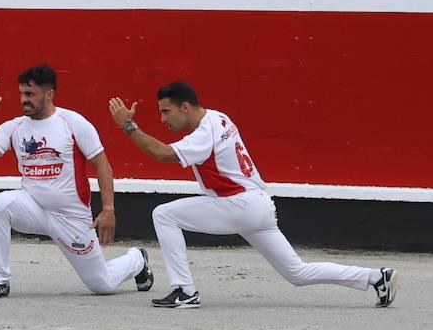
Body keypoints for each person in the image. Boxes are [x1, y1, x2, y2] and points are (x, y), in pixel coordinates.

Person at [108, 81, 396, 309]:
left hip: (240, 204)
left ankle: (184, 290)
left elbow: (163, 154)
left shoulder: (204, 132)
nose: (162, 119)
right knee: (297, 272)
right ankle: (375, 278)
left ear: (185, 107)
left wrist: (128, 126)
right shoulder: (219, 117)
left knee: (163, 214)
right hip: (258, 205)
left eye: (166, 112)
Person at [0, 65, 152, 300]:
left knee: (102, 284)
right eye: (21, 94)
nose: (24, 100)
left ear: (49, 94)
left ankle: (137, 259)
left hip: (71, 217)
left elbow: (102, 165)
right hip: (33, 209)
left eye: (30, 94)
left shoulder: (73, 122)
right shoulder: (14, 127)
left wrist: (108, 209)